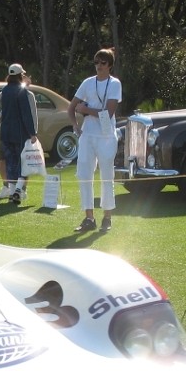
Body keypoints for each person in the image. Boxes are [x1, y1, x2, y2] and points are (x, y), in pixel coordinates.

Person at [70, 47, 122, 234]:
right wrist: (76, 126)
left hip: (106, 136)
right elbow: (71, 107)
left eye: (103, 63)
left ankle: (107, 217)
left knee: (106, 175)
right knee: (84, 175)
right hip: (88, 135)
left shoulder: (115, 84)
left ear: (109, 65)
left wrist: (86, 110)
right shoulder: (87, 82)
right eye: (96, 62)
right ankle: (89, 217)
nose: (99, 66)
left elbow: (108, 114)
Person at [0, 64, 38, 204]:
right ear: (20, 75)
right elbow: (27, 114)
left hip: (5, 133)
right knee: (22, 163)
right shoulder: (23, 92)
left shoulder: (4, 91)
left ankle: (12, 191)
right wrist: (32, 133)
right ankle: (18, 192)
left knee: (10, 163)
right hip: (19, 133)